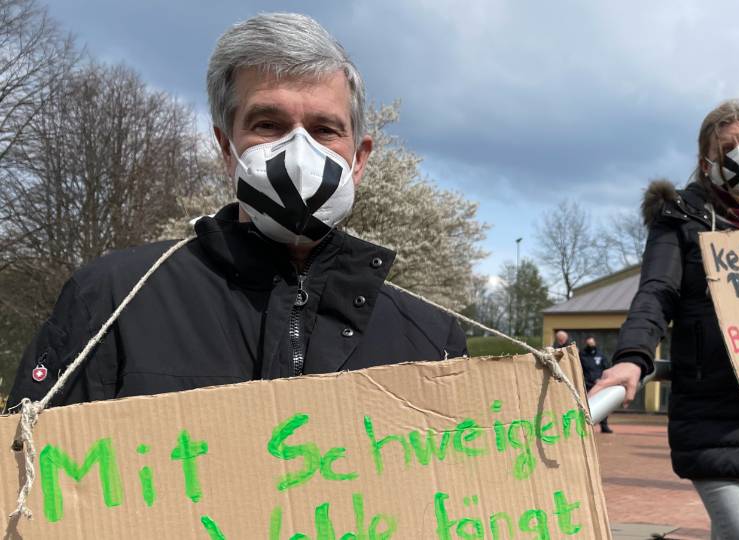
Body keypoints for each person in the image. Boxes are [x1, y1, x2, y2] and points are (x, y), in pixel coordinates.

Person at [6, 13, 466, 409]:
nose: (299, 152)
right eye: (269, 124)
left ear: (359, 159)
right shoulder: (111, 302)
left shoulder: (429, 337)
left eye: (325, 129)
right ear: (227, 148)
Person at [589, 99, 739, 539]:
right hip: (718, 412)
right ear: (706, 160)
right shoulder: (681, 218)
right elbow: (656, 293)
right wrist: (633, 356)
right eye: (727, 147)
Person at [581, 336, 614, 433]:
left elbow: (607, 368)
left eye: (592, 344)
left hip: (599, 384)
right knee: (585, 405)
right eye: (589, 344)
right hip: (586, 384)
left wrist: (602, 380)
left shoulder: (601, 355)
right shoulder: (582, 355)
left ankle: (604, 426)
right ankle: (584, 426)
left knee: (603, 404)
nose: (591, 346)